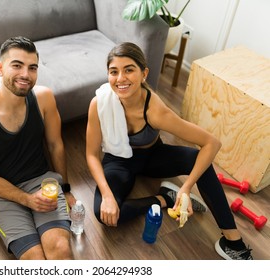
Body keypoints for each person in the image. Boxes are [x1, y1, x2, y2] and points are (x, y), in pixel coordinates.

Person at [85, 42, 253, 260]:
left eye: (129, 70)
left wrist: (186, 186)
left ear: (143, 73)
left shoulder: (155, 110)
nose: (120, 79)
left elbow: (212, 143)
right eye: (113, 72)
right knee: (103, 213)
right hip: (119, 162)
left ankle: (233, 241)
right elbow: (91, 154)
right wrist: (107, 195)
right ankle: (164, 198)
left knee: (199, 162)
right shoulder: (99, 104)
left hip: (152, 156)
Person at [0, 36, 76, 260]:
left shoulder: (44, 98)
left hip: (42, 181)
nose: (26, 74)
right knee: (34, 259)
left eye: (32, 68)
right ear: (0, 68)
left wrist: (65, 188)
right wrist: (27, 199)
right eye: (17, 65)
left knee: (60, 249)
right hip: (2, 193)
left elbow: (55, 145)